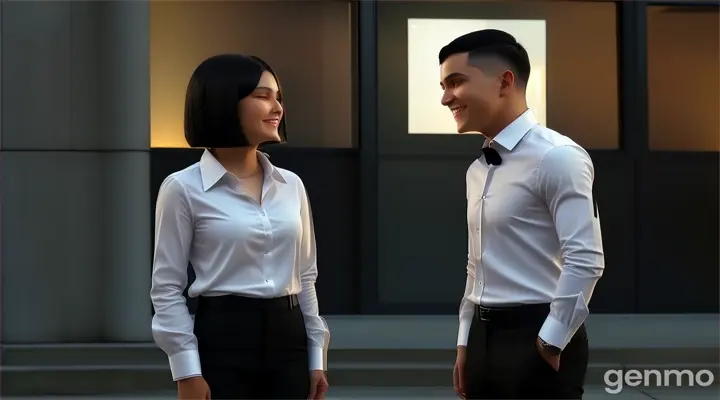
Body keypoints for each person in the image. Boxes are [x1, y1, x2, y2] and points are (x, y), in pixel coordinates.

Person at [150, 54, 330, 400]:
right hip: (222, 341)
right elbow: (167, 288)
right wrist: (186, 370)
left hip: (288, 341)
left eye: (278, 97)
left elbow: (306, 276)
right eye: (263, 96)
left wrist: (316, 356)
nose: (277, 107)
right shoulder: (182, 188)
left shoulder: (291, 184)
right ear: (222, 102)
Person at [439, 30, 605, 399]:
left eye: (456, 82)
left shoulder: (558, 156)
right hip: (484, 337)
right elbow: (475, 265)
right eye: (443, 85)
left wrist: (550, 341)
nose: (445, 97)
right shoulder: (477, 170)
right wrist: (466, 341)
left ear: (505, 81)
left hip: (537, 334)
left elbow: (586, 259)